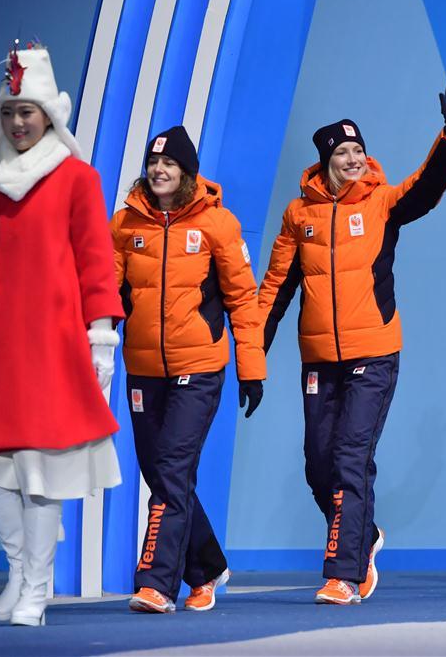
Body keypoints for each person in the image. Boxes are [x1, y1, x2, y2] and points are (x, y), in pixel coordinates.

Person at [258, 80, 446, 604]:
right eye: (343, 152)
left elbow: (424, 189)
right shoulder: (298, 215)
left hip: (373, 352)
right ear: (325, 161)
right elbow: (274, 289)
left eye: (359, 150)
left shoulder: (381, 203)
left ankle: (344, 574)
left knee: (352, 458)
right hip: (318, 360)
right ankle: (365, 534)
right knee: (318, 463)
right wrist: (251, 358)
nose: (354, 159)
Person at [0, 41, 124, 626]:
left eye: (27, 111)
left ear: (49, 113)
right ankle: (20, 572)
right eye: (9, 111)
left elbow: (96, 262)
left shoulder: (76, 179)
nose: (18, 122)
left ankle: (39, 588)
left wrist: (100, 336)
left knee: (41, 469)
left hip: (51, 346)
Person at [111, 126, 266, 614]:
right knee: (161, 474)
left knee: (173, 469)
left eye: (169, 165)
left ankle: (156, 583)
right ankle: (207, 567)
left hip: (198, 368)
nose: (159, 171)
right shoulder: (122, 225)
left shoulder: (218, 225)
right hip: (142, 370)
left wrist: (252, 369)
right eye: (153, 163)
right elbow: (103, 295)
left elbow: (243, 299)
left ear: (186, 173)